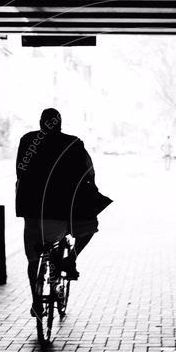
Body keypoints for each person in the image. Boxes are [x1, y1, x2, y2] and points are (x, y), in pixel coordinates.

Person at [15, 108, 107, 317]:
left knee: (33, 260)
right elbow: (87, 171)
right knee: (90, 227)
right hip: (61, 210)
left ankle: (36, 302)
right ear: (60, 124)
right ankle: (70, 259)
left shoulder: (27, 140)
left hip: (30, 210)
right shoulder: (73, 143)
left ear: (40, 123)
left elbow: (20, 170)